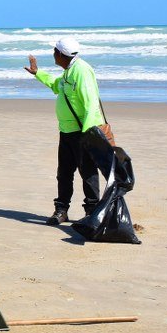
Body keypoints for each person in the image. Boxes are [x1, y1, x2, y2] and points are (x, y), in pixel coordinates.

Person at [25, 38, 110, 226]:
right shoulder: (68, 72)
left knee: (87, 172)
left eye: (54, 51)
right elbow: (57, 86)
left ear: (61, 54)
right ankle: (61, 210)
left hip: (82, 132)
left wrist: (87, 134)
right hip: (66, 132)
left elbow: (91, 103)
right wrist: (37, 73)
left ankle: (92, 212)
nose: (53, 54)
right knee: (64, 173)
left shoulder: (81, 70)